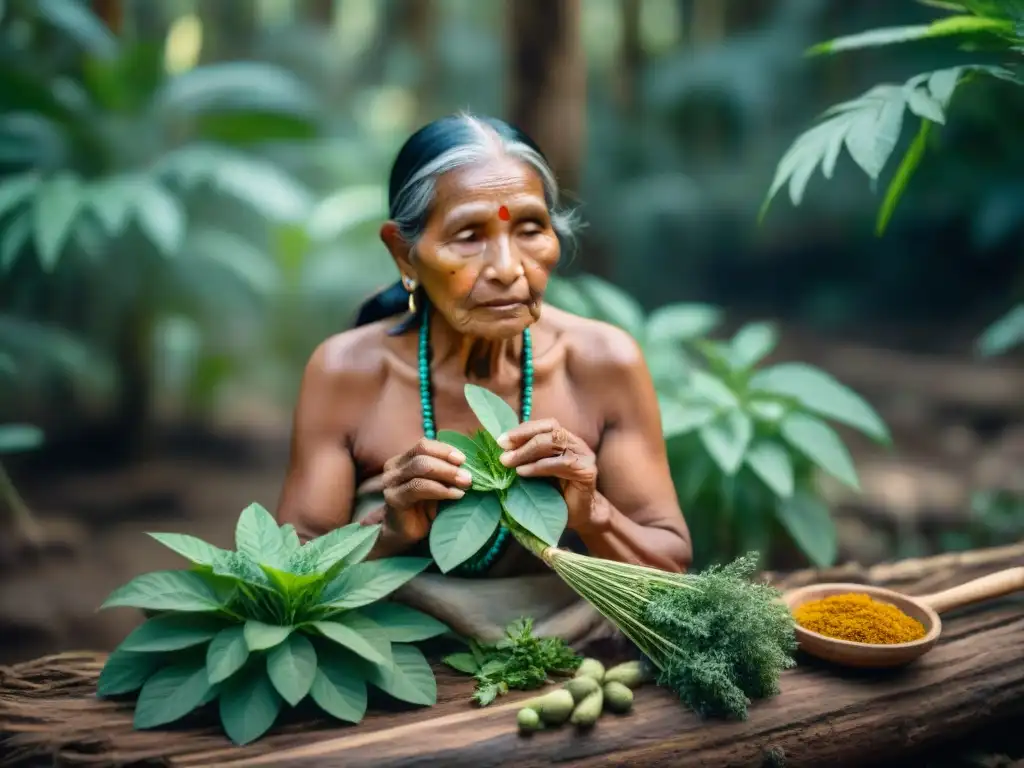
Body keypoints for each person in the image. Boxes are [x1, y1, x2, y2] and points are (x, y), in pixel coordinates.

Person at [276, 113, 691, 647]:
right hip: (394, 665)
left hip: (565, 658)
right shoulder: (347, 373)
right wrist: (387, 529)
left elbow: (672, 574)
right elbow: (283, 576)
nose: (506, 267)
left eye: (529, 229)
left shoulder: (603, 363)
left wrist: (594, 512)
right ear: (405, 253)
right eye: (469, 235)